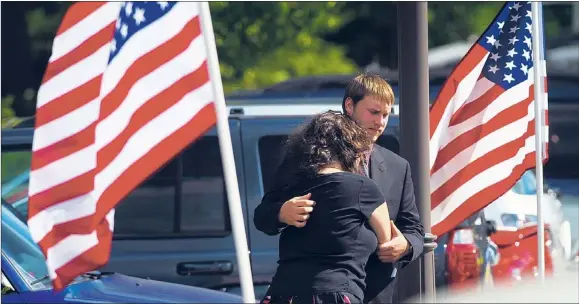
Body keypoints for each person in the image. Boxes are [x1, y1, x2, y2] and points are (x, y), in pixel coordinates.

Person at [254, 73, 424, 304]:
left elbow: (413, 227)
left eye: (386, 114)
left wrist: (405, 246)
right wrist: (282, 212)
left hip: (374, 293)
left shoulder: (397, 166)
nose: (381, 122)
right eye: (374, 112)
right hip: (313, 290)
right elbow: (262, 215)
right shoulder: (306, 159)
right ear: (349, 106)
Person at [261, 110, 393, 304]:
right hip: (336, 293)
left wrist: (280, 213)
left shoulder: (294, 185)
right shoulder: (363, 187)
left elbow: (261, 217)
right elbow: (386, 241)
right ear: (350, 148)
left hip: (284, 293)